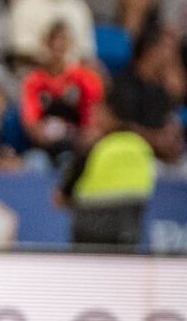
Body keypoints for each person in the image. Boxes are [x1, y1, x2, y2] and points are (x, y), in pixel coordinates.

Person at [56, 92, 157, 248]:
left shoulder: (97, 147)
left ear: (110, 114)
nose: (95, 119)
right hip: (129, 229)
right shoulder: (141, 146)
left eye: (98, 113)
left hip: (91, 228)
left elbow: (63, 196)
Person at [20, 22, 102, 165]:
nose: (58, 48)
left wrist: (82, 137)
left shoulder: (84, 78)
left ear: (69, 46)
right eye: (54, 43)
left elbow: (93, 115)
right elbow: (31, 122)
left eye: (63, 43)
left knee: (72, 162)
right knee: (35, 163)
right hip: (43, 147)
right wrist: (44, 136)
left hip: (74, 144)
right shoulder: (34, 80)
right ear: (47, 45)